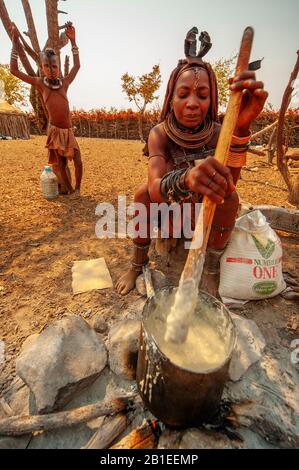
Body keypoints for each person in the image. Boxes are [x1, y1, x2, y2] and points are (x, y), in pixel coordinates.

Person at [116, 28, 268, 296]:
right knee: (141, 194)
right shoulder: (160, 134)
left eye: (202, 95)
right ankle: (137, 264)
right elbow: (154, 188)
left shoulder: (219, 132)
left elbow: (230, 180)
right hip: (170, 206)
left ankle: (210, 269)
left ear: (211, 101)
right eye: (183, 94)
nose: (192, 103)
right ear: (170, 98)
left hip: (204, 209)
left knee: (231, 198)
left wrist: (241, 128)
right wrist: (186, 179)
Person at [10, 22, 83, 195]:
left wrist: (73, 42)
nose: (51, 70)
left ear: (58, 67)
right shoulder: (40, 83)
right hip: (55, 131)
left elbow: (77, 66)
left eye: (54, 66)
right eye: (47, 66)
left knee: (78, 161)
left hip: (68, 130)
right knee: (62, 164)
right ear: (42, 68)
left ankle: (78, 189)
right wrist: (14, 44)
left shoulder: (64, 83)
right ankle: (71, 191)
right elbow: (14, 70)